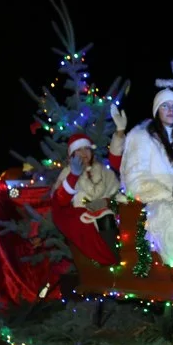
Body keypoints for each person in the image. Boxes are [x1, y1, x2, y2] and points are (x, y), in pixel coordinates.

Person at [120, 88, 173, 267]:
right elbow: (135, 178)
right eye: (165, 106)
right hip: (156, 200)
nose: (171, 110)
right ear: (156, 110)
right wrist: (166, 194)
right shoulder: (142, 137)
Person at [51, 104, 127, 265]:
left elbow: (117, 195)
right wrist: (74, 175)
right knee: (98, 221)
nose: (84, 153)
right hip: (82, 220)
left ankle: (113, 263)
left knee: (107, 217)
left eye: (87, 149)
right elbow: (61, 200)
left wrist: (106, 202)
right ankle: (105, 263)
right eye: (79, 150)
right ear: (72, 154)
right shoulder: (67, 173)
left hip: (108, 219)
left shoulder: (104, 172)